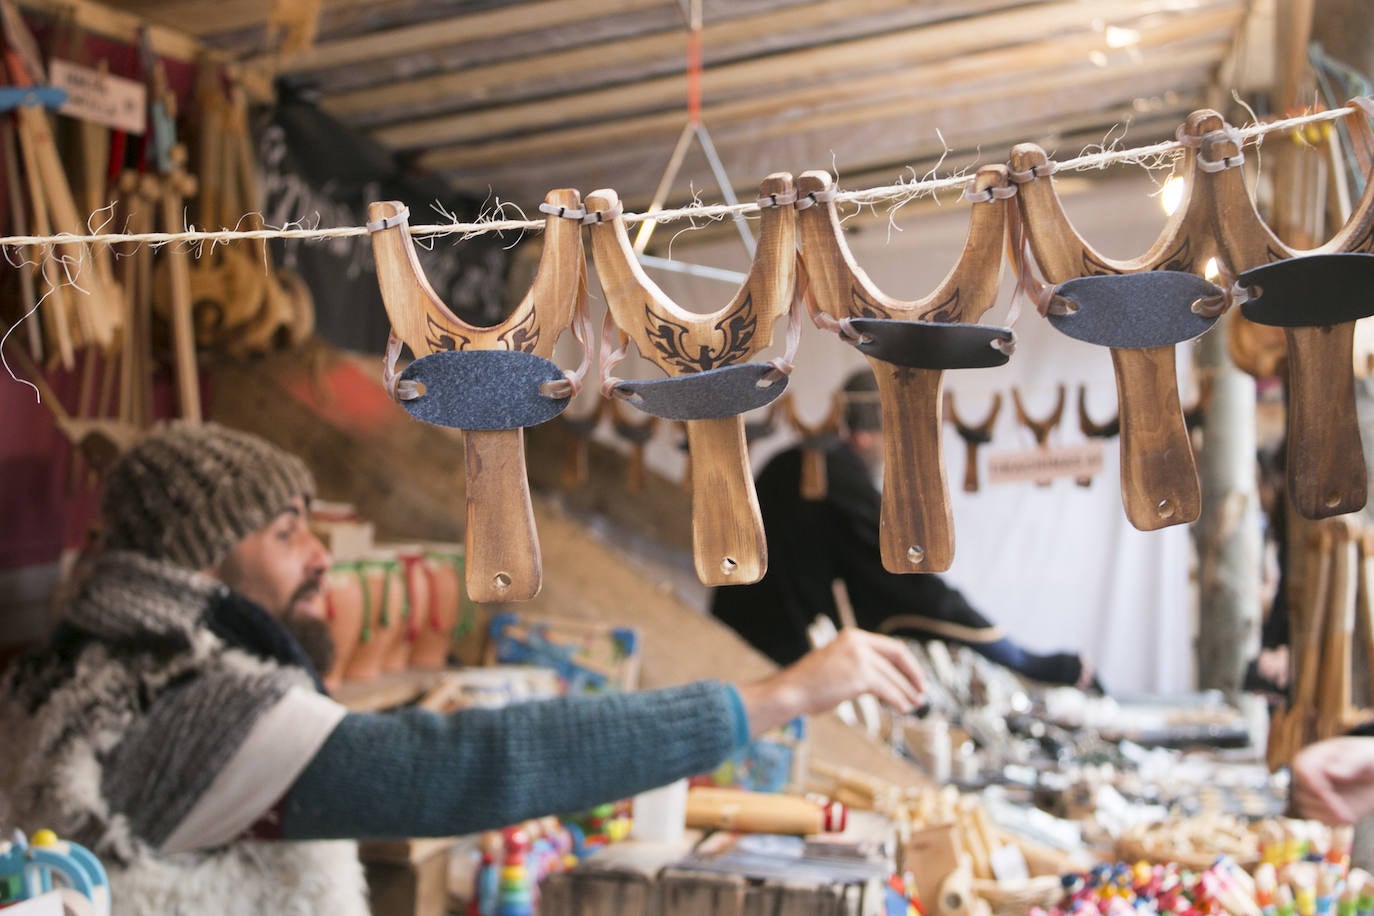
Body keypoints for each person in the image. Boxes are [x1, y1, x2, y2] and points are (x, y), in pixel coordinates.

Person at [0, 422, 925, 915]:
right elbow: (464, 764)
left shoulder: (86, 671)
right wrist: (774, 699)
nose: (322, 559)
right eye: (285, 536)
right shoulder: (183, 705)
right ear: (197, 567)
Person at [712, 368, 1097, 690]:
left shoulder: (792, 461)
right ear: (866, 434)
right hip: (764, 656)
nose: (894, 450)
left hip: (737, 637)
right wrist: (1024, 660)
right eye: (892, 436)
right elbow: (910, 582)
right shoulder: (832, 474)